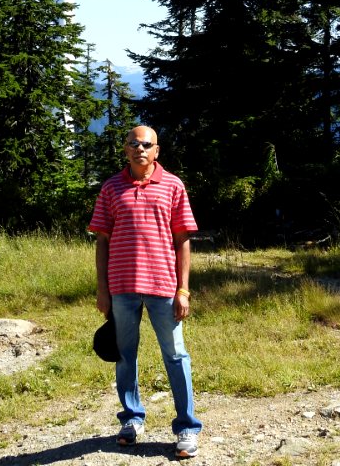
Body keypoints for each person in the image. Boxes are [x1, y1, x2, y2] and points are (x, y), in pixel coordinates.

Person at [89, 124, 202, 459]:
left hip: (164, 287)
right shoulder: (111, 188)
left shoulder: (173, 186)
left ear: (157, 150)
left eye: (146, 144)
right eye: (133, 143)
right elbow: (102, 241)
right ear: (125, 149)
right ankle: (132, 419)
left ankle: (186, 427)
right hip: (122, 287)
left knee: (176, 355)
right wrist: (102, 289)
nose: (139, 149)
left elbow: (183, 240)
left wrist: (183, 289)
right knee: (125, 357)